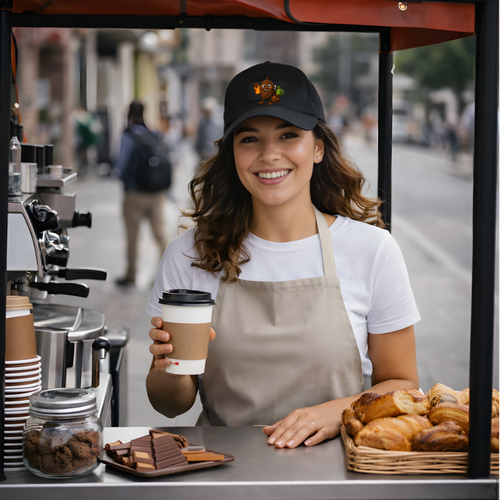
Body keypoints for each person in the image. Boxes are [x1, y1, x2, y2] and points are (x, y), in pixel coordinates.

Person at [146, 62, 420, 449]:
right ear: (232, 154)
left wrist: (335, 411)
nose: (269, 155)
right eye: (250, 139)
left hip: (339, 472)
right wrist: (167, 364)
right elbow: (169, 406)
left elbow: (403, 384)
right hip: (220, 472)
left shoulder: (372, 250)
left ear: (319, 148)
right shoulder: (190, 254)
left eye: (288, 135)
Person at [115, 101, 169, 286]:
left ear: (128, 114)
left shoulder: (128, 135)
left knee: (132, 235)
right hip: (157, 194)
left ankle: (131, 275)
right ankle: (167, 274)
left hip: (134, 194)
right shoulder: (154, 134)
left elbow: (120, 164)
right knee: (160, 234)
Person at [195, 97, 224, 161]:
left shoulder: (219, 125)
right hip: (204, 155)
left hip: (215, 155)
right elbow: (199, 140)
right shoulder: (202, 124)